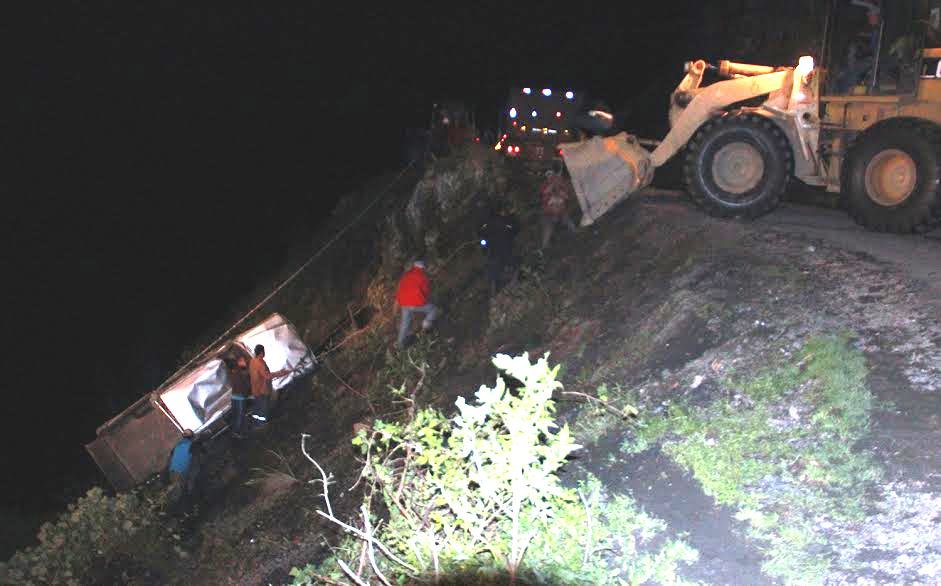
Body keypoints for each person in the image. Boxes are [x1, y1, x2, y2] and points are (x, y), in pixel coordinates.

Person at [395, 260, 440, 348]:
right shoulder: (423, 276)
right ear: (423, 268)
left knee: (405, 323)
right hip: (415, 303)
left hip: (404, 303)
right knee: (433, 310)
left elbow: (400, 289)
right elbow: (426, 292)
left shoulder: (406, 275)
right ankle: (426, 326)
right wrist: (425, 300)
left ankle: (399, 345)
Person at [477, 203, 520, 295]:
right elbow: (515, 229)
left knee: (496, 268)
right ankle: (508, 286)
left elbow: (481, 234)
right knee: (509, 265)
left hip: (496, 249)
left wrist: (484, 245)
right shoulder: (504, 221)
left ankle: (498, 288)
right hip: (502, 249)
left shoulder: (489, 223)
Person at [249, 344, 293, 428]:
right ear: (261, 352)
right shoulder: (260, 363)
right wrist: (282, 373)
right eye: (264, 351)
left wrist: (279, 372)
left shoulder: (252, 361)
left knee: (257, 407)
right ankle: (261, 426)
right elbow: (267, 376)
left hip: (255, 389)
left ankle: (255, 423)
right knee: (263, 408)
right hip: (263, 390)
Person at [539, 162, 578, 251]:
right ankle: (544, 248)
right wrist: (551, 189)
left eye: (551, 174)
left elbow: (567, 196)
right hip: (549, 214)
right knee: (547, 229)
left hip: (561, 212)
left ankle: (576, 236)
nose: (550, 177)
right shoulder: (545, 186)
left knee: (569, 223)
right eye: (548, 175)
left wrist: (562, 193)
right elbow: (544, 195)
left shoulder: (561, 184)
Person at [167, 429, 202, 513]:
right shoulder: (192, 446)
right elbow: (194, 464)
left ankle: (169, 508)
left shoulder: (178, 445)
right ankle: (170, 510)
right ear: (192, 437)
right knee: (178, 492)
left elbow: (171, 457)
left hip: (172, 471)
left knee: (175, 489)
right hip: (181, 472)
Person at [224, 354, 251, 438]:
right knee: (239, 416)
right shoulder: (238, 372)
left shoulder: (233, 372)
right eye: (241, 360)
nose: (244, 362)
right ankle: (235, 432)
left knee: (237, 415)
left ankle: (234, 428)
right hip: (239, 397)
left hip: (236, 396)